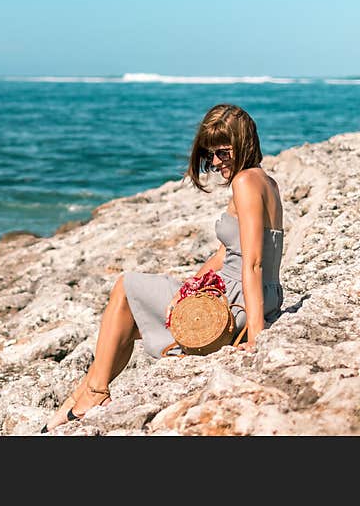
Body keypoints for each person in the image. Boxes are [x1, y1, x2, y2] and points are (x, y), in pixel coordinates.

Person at [43, 103, 284, 432]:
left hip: (238, 298)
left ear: (244, 143)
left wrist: (257, 337)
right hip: (259, 293)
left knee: (125, 287)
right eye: (211, 154)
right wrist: (189, 288)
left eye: (223, 152)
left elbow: (253, 263)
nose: (215, 162)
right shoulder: (265, 181)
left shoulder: (244, 183)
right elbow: (229, 252)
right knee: (126, 324)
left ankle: (95, 393)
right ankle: (81, 396)